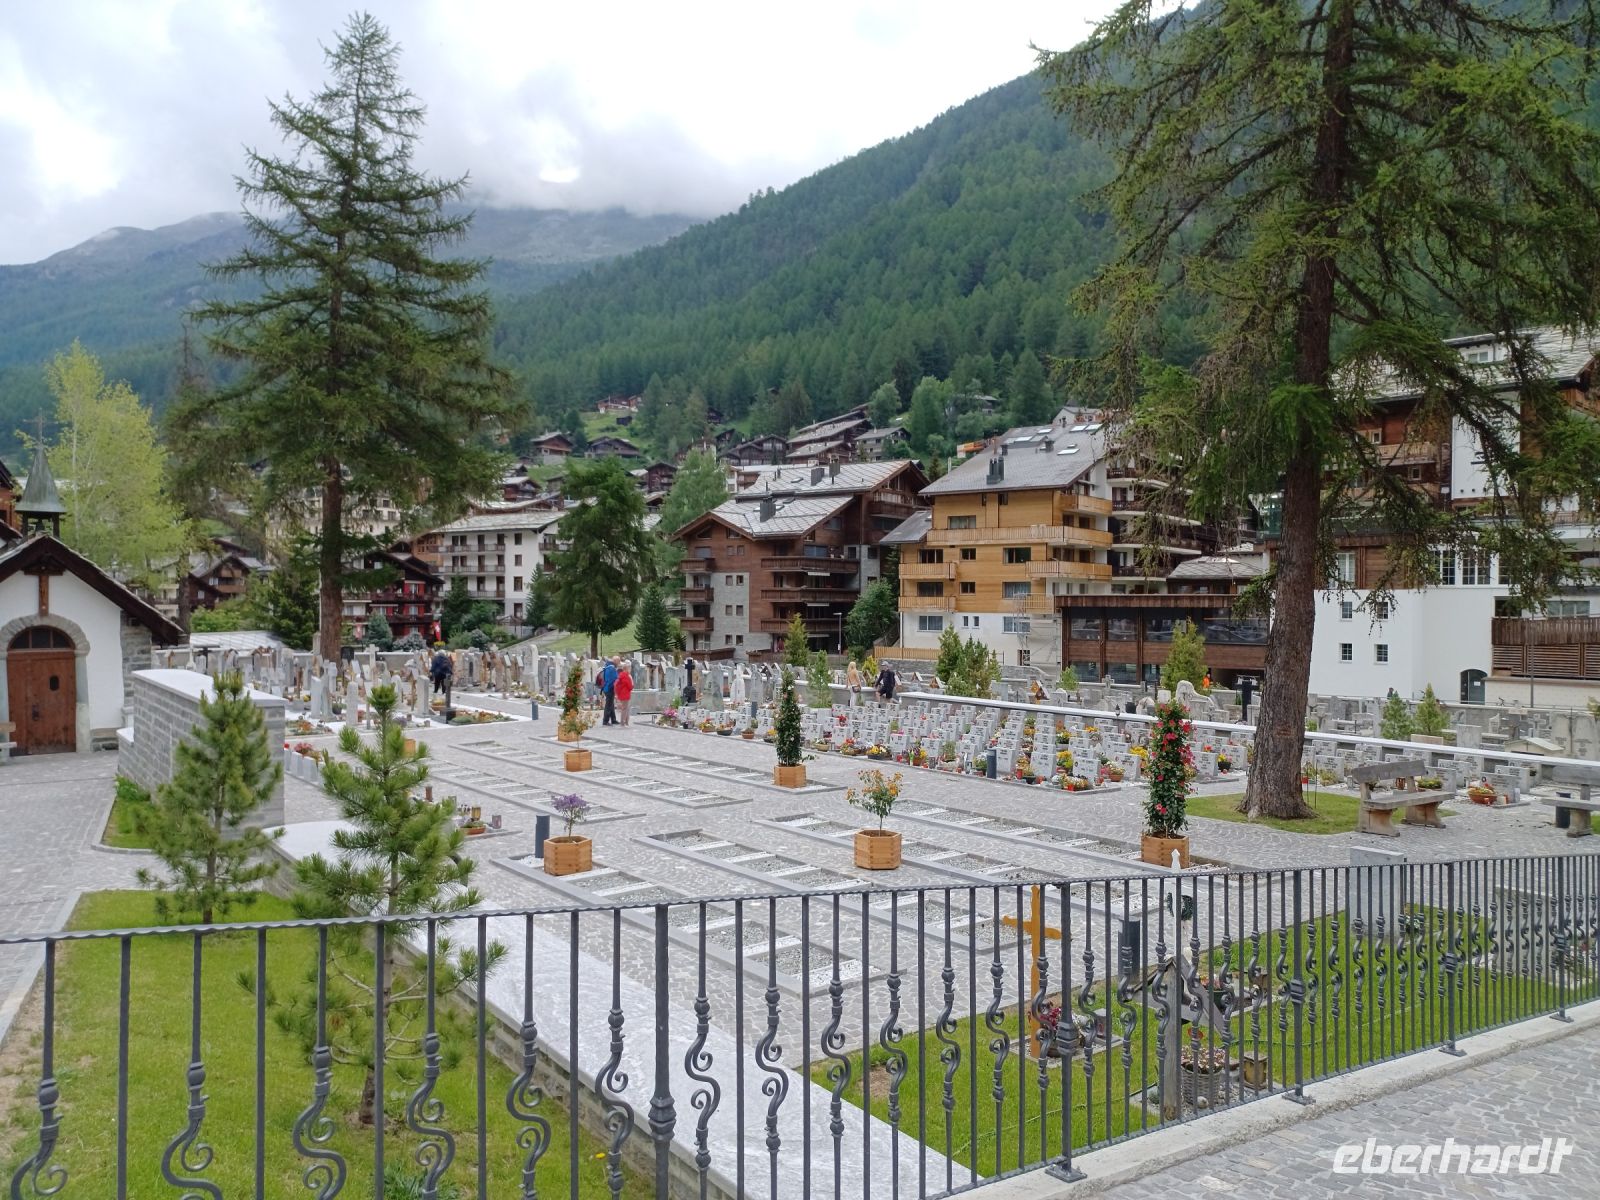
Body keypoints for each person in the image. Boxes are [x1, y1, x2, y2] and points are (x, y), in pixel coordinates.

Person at [601, 656, 619, 725]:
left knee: (611, 704)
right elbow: (615, 678)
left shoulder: (607, 666)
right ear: (615, 661)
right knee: (608, 705)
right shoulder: (612, 668)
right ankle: (605, 721)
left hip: (606, 687)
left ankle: (613, 719)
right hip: (610, 688)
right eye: (618, 661)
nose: (619, 663)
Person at [615, 661, 634, 726]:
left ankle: (625, 722)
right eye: (629, 668)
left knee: (625, 708)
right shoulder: (626, 676)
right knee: (625, 708)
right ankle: (623, 722)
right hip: (626, 694)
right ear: (626, 669)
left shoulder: (620, 675)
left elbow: (616, 685)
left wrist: (617, 693)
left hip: (621, 694)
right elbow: (630, 686)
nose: (630, 670)